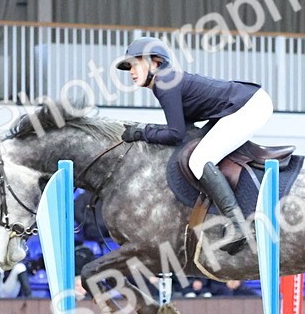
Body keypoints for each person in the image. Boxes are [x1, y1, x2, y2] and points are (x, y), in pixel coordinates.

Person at [115, 36, 273, 254]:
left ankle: (238, 226)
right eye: (129, 67)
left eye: (135, 64)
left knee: (199, 160)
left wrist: (142, 132)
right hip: (242, 104)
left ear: (156, 63)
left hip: (249, 106)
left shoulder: (164, 83)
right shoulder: (165, 82)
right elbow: (184, 129)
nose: (131, 71)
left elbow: (175, 133)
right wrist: (146, 130)